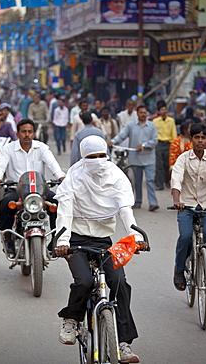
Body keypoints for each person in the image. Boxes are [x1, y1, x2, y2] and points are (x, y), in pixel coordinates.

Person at [54, 135, 147, 363]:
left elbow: (126, 210)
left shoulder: (117, 176)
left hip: (103, 240)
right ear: (83, 158)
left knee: (119, 282)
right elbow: (64, 212)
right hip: (74, 239)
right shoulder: (74, 178)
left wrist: (136, 237)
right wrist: (62, 241)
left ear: (107, 155)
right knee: (84, 281)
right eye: (91, 157)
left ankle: (123, 343)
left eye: (101, 156)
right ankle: (71, 320)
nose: (97, 161)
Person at [0, 119, 65, 255]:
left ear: (34, 133)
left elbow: (52, 163)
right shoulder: (9, 149)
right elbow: (0, 165)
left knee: (57, 202)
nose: (27, 135)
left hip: (39, 191)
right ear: (17, 133)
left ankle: (56, 238)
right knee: (6, 203)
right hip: (16, 190)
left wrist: (60, 176)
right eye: (23, 131)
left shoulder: (41, 148)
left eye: (30, 132)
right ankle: (8, 237)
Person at [171, 123, 206, 294]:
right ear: (191, 139)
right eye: (197, 137)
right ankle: (179, 270)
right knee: (185, 237)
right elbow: (176, 180)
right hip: (186, 205)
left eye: (203, 137)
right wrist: (177, 200)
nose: (200, 141)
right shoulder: (183, 158)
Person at [110, 105, 159, 211]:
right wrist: (113, 142)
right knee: (137, 181)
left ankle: (153, 202)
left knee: (150, 180)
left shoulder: (152, 126)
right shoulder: (131, 125)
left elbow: (155, 140)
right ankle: (138, 201)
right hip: (135, 158)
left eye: (145, 112)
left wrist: (144, 146)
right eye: (141, 112)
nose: (143, 114)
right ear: (137, 114)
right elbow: (122, 135)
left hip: (149, 158)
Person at [153, 100, 177, 190]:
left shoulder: (171, 121)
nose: (164, 111)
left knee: (168, 164)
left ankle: (167, 181)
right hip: (158, 143)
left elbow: (174, 133)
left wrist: (174, 144)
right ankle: (160, 184)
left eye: (165, 109)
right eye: (162, 109)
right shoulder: (155, 121)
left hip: (168, 144)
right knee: (159, 165)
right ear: (159, 111)